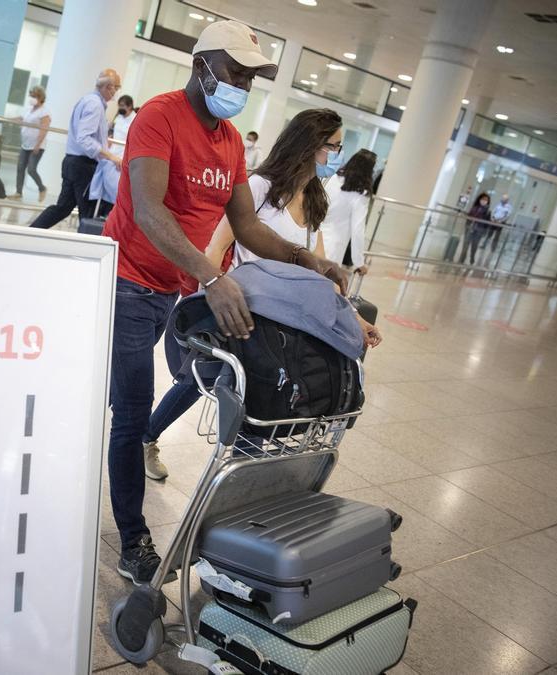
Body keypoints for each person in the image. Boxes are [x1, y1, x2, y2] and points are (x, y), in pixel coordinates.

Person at [99, 20, 351, 584]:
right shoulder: (159, 117)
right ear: (201, 66)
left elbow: (244, 224)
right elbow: (147, 209)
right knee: (133, 410)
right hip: (127, 280)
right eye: (235, 72)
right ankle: (135, 539)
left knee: (187, 385)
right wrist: (213, 277)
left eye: (250, 77)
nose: (242, 84)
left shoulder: (231, 141)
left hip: (174, 288)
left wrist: (304, 257)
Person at [141, 111, 381, 482]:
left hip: (284, 324)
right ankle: (148, 439)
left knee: (260, 399)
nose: (337, 155)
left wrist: (355, 317)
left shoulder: (315, 201)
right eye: (332, 147)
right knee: (199, 380)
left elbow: (316, 274)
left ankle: (235, 485)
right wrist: (214, 294)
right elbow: (215, 247)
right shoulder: (258, 188)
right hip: (244, 310)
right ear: (308, 146)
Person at [29, 69, 122, 229]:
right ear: (108, 86)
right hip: (83, 166)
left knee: (63, 208)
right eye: (117, 87)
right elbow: (84, 138)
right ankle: (88, 249)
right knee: (88, 213)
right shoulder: (95, 105)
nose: (116, 92)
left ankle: (31, 233)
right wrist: (110, 156)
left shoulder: (87, 100)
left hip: (72, 162)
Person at [321, 149, 376, 273]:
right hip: (333, 247)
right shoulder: (361, 194)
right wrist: (359, 262)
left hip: (314, 239)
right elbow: (358, 229)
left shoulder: (333, 178)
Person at [9, 86, 50, 202]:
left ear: (40, 97)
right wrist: (8, 120)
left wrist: (37, 144)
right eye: (31, 95)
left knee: (31, 169)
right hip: (25, 144)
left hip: (37, 146)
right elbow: (22, 118)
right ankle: (18, 192)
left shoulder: (44, 112)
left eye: (34, 96)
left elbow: (44, 129)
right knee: (20, 167)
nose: (32, 98)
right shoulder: (29, 109)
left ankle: (42, 188)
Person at [459, 193, 491, 265]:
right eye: (482, 199)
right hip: (470, 229)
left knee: (474, 246)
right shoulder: (474, 208)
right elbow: (469, 217)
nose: (484, 201)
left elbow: (487, 224)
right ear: (479, 199)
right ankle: (462, 259)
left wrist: (484, 233)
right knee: (466, 245)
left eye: (486, 200)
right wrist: (467, 226)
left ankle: (472, 257)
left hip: (479, 231)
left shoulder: (488, 211)